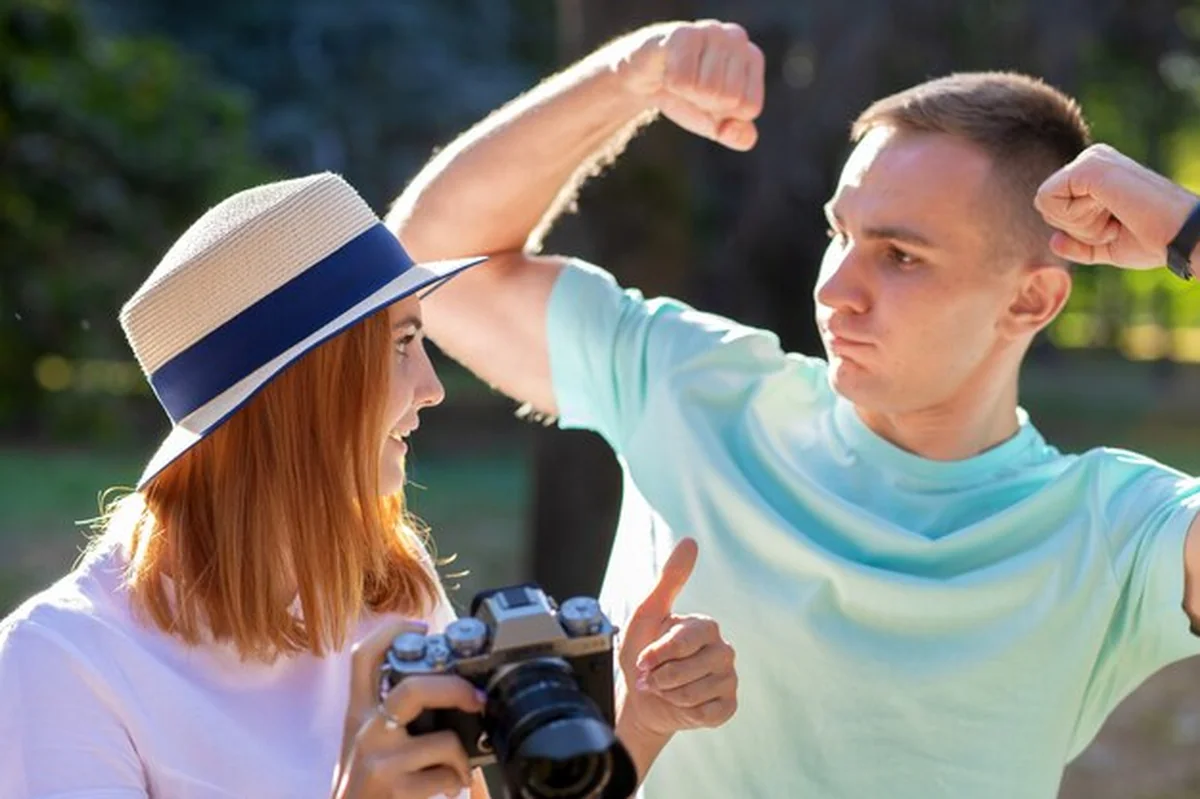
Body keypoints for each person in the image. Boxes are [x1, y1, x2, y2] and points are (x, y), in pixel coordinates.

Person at [387, 17, 1200, 799]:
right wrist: (627, 77)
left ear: (1031, 300)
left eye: (900, 256)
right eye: (838, 233)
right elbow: (431, 263)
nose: (835, 289)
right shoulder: (697, 384)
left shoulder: (1114, 530)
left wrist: (1190, 230)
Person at [0, 172, 738, 797]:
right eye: (404, 344)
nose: (432, 388)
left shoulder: (390, 588)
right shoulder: (63, 661)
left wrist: (640, 718)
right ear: (303, 390)